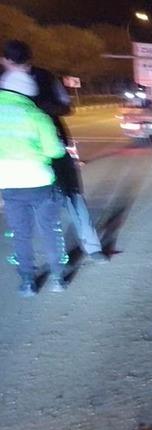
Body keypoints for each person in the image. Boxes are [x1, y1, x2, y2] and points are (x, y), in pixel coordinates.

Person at [2, 40, 108, 264]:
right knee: (28, 208)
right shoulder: (4, 83)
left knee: (71, 194)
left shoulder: (46, 77)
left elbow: (66, 105)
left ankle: (90, 247)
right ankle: (44, 263)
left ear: (5, 59)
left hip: (52, 146)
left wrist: (40, 111)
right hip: (20, 156)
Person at [0, 68, 68, 296]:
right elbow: (55, 151)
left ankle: (28, 282)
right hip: (39, 181)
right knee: (49, 229)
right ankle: (58, 277)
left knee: (21, 233)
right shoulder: (37, 115)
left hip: (9, 183)